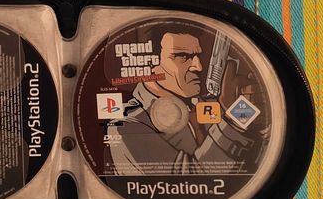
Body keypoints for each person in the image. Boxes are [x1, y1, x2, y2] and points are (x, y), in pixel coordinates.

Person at [107, 29, 256, 175]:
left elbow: (258, 158)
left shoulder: (216, 104)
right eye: (183, 57)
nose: (198, 66)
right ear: (150, 63)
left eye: (198, 56)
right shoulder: (125, 125)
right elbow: (186, 181)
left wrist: (251, 108)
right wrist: (234, 120)